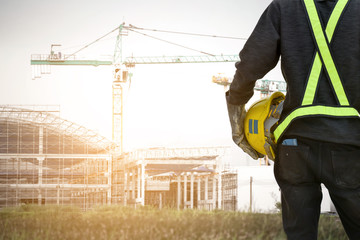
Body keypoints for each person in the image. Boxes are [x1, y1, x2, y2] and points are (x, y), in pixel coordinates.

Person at [226, 0, 360, 239]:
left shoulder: (284, 7)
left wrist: (237, 123)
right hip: (348, 146)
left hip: (294, 148)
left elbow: (249, 65)